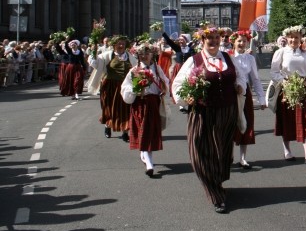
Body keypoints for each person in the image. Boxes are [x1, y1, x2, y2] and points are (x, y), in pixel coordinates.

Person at [172, 25, 247, 213]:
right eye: (209, 39)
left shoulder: (228, 58)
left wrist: (239, 86)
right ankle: (215, 194)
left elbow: (240, 77)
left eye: (216, 38)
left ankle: (217, 182)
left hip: (227, 112)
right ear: (202, 41)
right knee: (202, 152)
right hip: (203, 113)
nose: (213, 42)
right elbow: (178, 83)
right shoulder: (194, 60)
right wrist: (185, 98)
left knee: (222, 152)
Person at [121, 42, 169, 178]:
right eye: (141, 54)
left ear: (152, 54)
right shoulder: (134, 70)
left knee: (150, 132)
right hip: (140, 104)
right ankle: (149, 162)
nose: (144, 56)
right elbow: (125, 87)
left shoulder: (157, 68)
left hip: (154, 104)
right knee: (144, 131)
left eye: (147, 53)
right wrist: (135, 89)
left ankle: (145, 156)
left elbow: (166, 82)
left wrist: (163, 88)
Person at [270, 25, 306, 163]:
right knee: (287, 119)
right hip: (287, 87)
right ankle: (287, 150)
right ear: (286, 38)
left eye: (296, 37)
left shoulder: (305, 53)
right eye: (291, 37)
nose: (293, 40)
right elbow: (273, 72)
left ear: (300, 38)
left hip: (303, 88)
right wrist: (284, 82)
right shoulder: (281, 52)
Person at [231, 30, 266, 170]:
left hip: (245, 94)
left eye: (244, 41)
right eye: (239, 41)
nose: (242, 43)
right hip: (230, 94)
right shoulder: (227, 57)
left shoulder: (250, 59)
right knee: (229, 125)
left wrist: (262, 98)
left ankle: (243, 158)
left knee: (246, 123)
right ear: (233, 42)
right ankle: (228, 155)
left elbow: (256, 80)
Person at [93, 35, 137, 141]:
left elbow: (136, 69)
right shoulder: (107, 55)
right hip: (110, 86)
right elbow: (95, 64)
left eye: (123, 43)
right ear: (114, 45)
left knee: (125, 108)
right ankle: (108, 126)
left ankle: (125, 132)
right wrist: (93, 52)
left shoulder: (130, 57)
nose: (121, 45)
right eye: (119, 43)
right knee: (110, 108)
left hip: (125, 86)